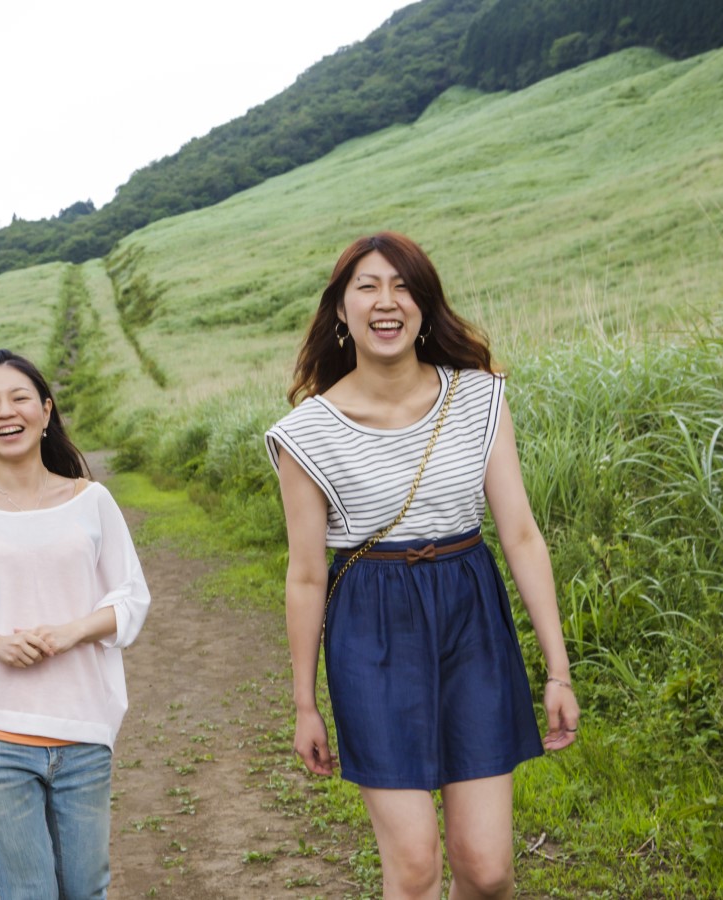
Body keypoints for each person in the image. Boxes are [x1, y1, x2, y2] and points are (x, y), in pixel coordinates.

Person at [265, 232, 580, 900]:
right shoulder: (305, 434)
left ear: (426, 306)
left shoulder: (478, 397)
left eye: (404, 286)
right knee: (413, 869)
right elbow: (305, 575)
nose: (387, 302)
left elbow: (519, 533)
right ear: (340, 312)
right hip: (371, 629)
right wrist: (304, 702)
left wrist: (558, 670)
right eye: (368, 287)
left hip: (470, 617)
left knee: (487, 870)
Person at [0, 349, 151, 899]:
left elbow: (131, 598)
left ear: (45, 410)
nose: (5, 412)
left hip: (83, 730)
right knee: (29, 893)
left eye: (18, 398)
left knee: (86, 890)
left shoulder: (92, 501)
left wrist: (72, 631)